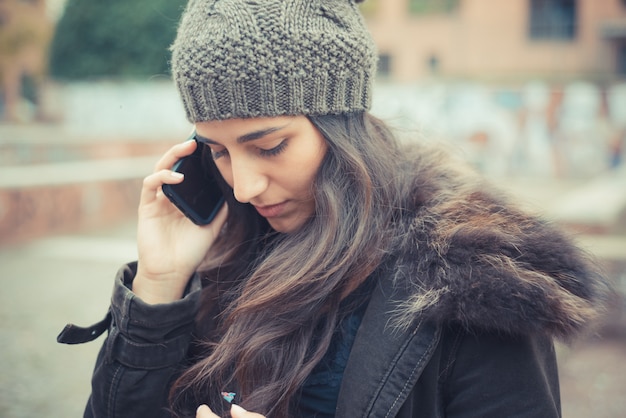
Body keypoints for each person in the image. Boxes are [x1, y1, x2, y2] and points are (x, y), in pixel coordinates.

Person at [58, 0, 610, 417]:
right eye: (218, 153)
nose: (245, 186)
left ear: (341, 127)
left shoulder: (473, 281)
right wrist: (159, 286)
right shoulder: (224, 254)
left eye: (270, 146)